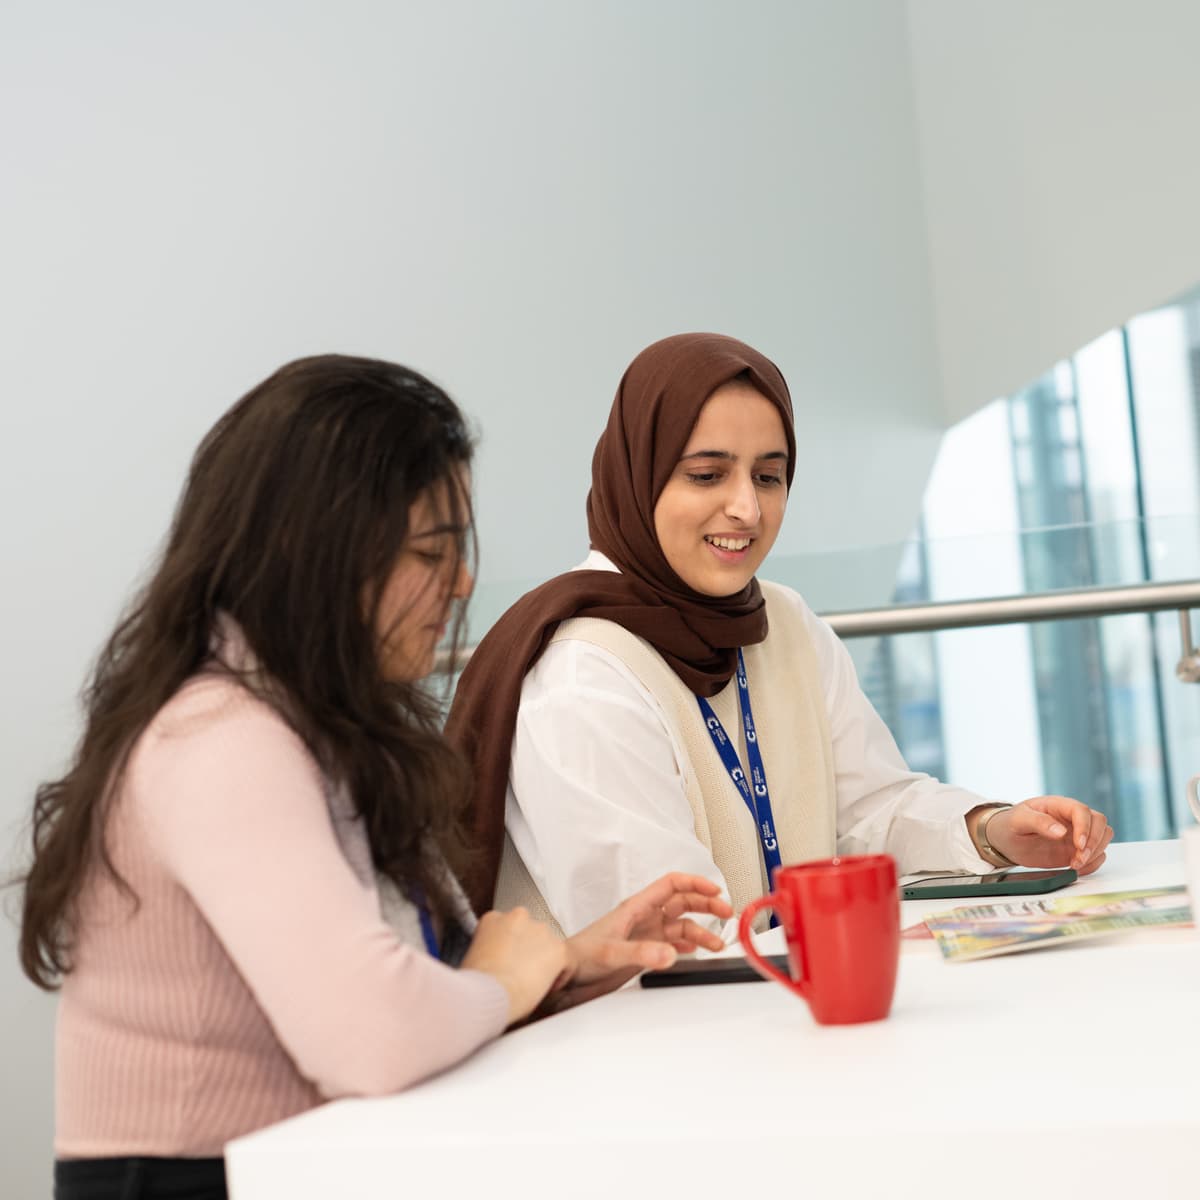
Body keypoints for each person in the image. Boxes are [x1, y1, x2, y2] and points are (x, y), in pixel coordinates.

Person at [16, 354, 732, 1200]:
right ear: (314, 554)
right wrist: (506, 980)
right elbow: (374, 1034)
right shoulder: (220, 740)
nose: (461, 583)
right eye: (431, 552)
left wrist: (561, 965)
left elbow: (408, 994)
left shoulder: (313, 722)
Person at [446, 332, 1114, 935]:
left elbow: (867, 808)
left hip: (780, 1001)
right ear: (637, 476)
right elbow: (669, 936)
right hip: (653, 1025)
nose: (747, 507)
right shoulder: (581, 674)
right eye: (706, 475)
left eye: (769, 476)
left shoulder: (782, 621)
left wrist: (994, 831)